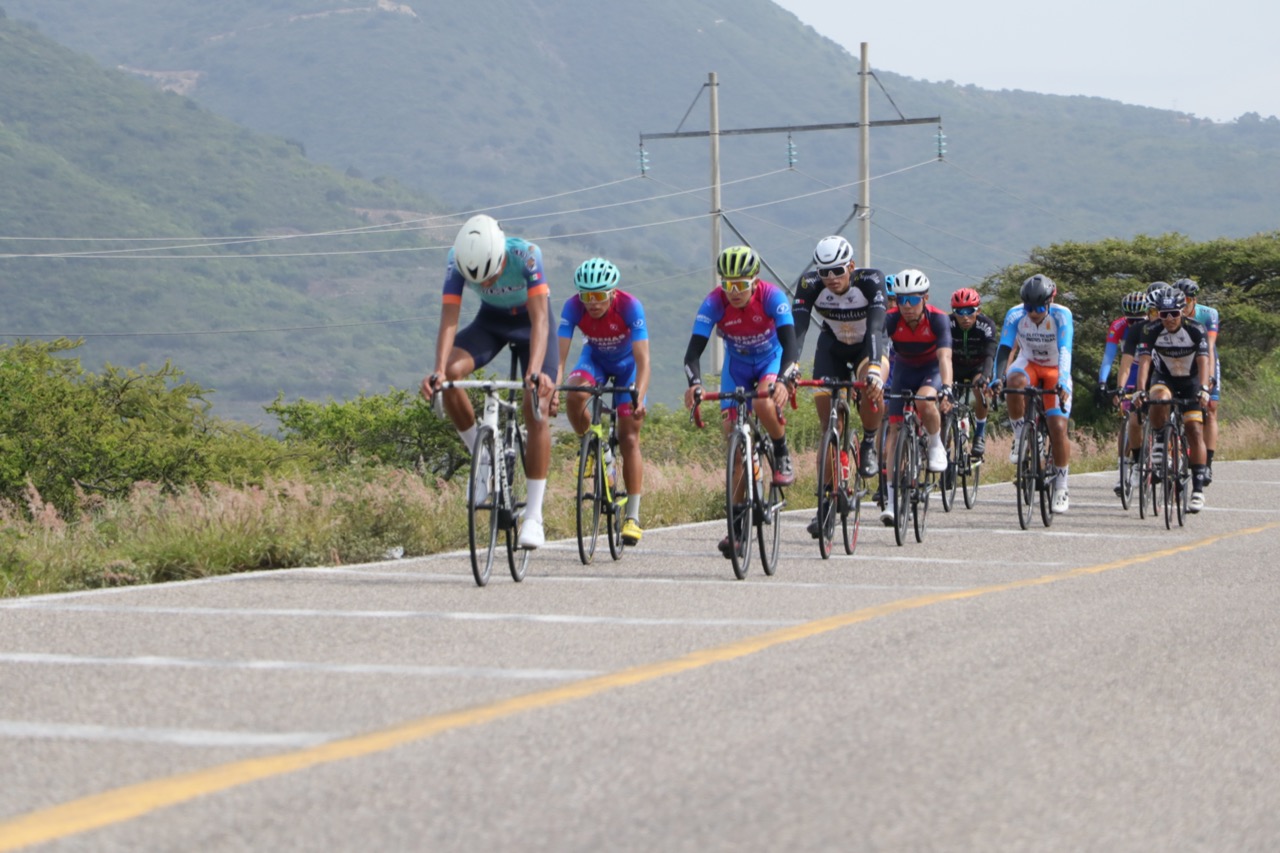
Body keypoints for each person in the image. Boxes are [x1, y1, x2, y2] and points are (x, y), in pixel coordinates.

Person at [421, 214, 556, 549]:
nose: (490, 283)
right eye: (480, 281)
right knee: (451, 376)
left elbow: (541, 320)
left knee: (536, 405)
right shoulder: (455, 260)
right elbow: (449, 318)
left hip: (532, 325)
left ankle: (534, 516)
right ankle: (482, 459)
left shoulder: (527, 255)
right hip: (491, 323)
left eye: (493, 275)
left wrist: (535, 372)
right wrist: (438, 371)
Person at [683, 245, 800, 558]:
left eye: (741, 285)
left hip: (770, 361)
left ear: (755, 281)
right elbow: (692, 354)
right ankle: (736, 531)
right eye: (727, 284)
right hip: (736, 367)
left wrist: (784, 380)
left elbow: (790, 346)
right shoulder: (714, 302)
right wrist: (695, 385)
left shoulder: (772, 297)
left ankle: (781, 451)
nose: (733, 292)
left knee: (763, 403)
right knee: (734, 447)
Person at [790, 236, 887, 538]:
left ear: (851, 266)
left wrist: (874, 368)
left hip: (867, 346)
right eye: (824, 272)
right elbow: (798, 328)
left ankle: (869, 441)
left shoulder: (870, 281)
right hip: (832, 348)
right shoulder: (809, 285)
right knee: (829, 426)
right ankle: (825, 504)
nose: (831, 278)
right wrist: (791, 365)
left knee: (871, 387)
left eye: (838, 270)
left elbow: (876, 327)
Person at [556, 258, 651, 546]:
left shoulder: (630, 306)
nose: (592, 303)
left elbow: (643, 360)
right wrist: (553, 390)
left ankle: (632, 517)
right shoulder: (572, 307)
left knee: (629, 437)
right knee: (574, 394)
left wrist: (639, 396)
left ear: (612, 292)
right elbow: (559, 358)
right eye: (587, 297)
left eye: (598, 296)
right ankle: (594, 446)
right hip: (594, 360)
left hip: (627, 367)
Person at [991, 273, 1074, 513]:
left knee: (1058, 427)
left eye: (1038, 308)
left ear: (1050, 301)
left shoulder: (1062, 315)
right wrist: (997, 378)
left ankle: (1061, 486)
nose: (1033, 313)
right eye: (1029, 307)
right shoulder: (1015, 314)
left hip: (1055, 368)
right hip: (1028, 363)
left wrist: (1063, 383)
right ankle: (1021, 437)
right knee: (1013, 381)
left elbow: (1065, 349)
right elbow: (1004, 348)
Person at [879, 269, 953, 526]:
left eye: (913, 300)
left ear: (925, 298)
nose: (907, 306)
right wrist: (877, 380)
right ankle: (891, 503)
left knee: (924, 400)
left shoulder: (938, 319)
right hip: (904, 369)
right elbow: (881, 354)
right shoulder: (890, 319)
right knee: (894, 432)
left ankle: (935, 443)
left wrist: (947, 387)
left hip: (931, 369)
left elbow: (945, 358)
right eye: (901, 300)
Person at [1133, 287, 1212, 512]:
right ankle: (1160, 440)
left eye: (1174, 314)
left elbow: (1204, 361)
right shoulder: (1150, 329)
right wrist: (1140, 390)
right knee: (1158, 399)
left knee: (1194, 429)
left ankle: (1198, 489)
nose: (1168, 319)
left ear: (1182, 311)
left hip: (1191, 381)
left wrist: (1204, 388)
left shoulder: (1196, 329)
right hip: (1165, 377)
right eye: (1163, 314)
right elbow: (1145, 362)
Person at [1098, 290, 1148, 495]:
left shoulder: (1154, 326)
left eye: (1139, 320)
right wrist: (1102, 382)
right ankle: (1124, 470)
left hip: (1149, 369)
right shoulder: (1118, 326)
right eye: (1130, 320)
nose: (1134, 324)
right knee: (1127, 418)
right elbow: (1108, 357)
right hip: (1130, 370)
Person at [1174, 278, 1220, 483]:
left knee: (1210, 408)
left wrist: (1209, 378)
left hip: (1205, 357)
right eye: (1179, 300)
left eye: (1186, 301)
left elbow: (1209, 347)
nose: (1182, 306)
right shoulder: (1171, 313)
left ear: (1194, 300)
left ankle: (1207, 463)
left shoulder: (1209, 314)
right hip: (1180, 359)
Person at [947, 287, 997, 458]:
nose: (965, 317)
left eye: (969, 311)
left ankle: (979, 435)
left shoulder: (986, 325)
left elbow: (990, 355)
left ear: (978, 310)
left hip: (978, 366)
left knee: (980, 389)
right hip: (955, 366)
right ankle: (945, 442)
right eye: (959, 312)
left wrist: (985, 377)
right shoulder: (947, 324)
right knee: (944, 399)